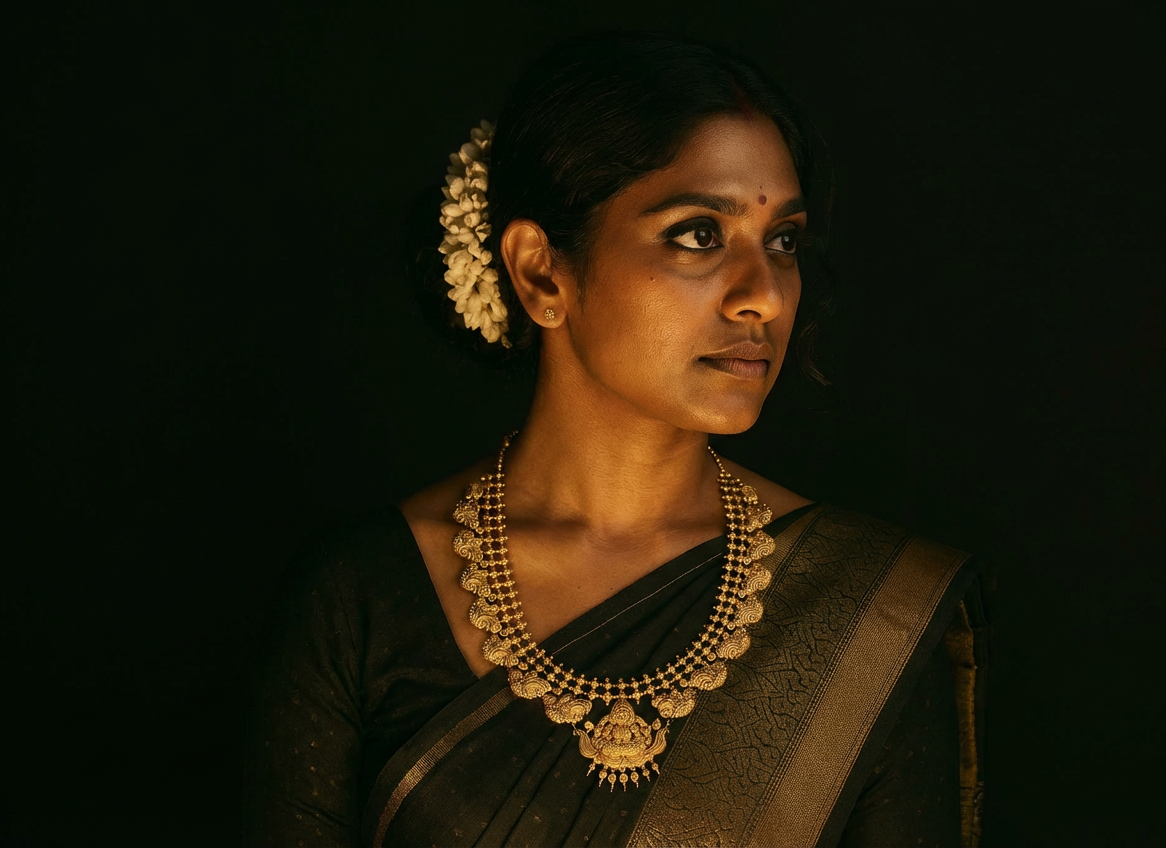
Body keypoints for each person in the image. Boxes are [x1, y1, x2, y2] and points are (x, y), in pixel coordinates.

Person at [243, 31, 988, 848]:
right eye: (700, 234)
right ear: (540, 272)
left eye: (783, 241)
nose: (766, 298)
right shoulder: (360, 602)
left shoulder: (863, 609)